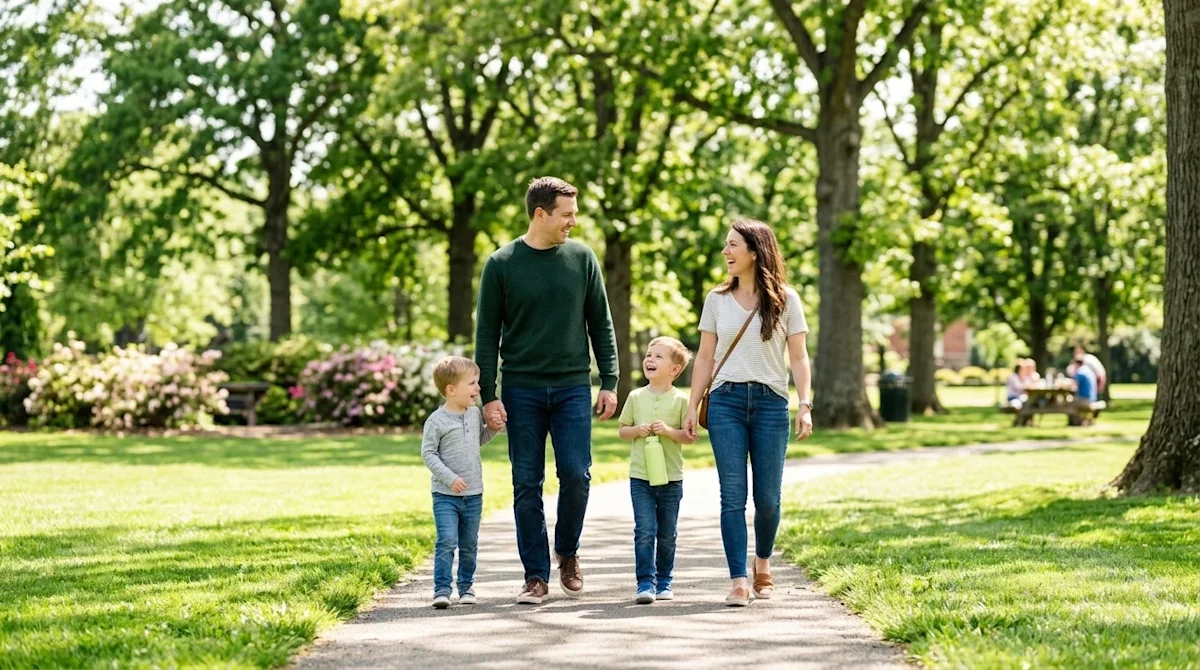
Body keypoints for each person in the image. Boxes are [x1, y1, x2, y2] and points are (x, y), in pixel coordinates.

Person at [474, 176, 620, 605]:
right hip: (521, 389)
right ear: (541, 214)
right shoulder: (501, 264)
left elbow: (601, 323)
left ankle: (568, 552)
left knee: (577, 474)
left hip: (574, 386)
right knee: (525, 483)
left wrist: (609, 381)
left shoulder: (582, 258)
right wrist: (489, 394)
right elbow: (486, 336)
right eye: (567, 214)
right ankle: (535, 575)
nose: (573, 222)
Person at [683, 218, 813, 607]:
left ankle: (763, 561)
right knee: (732, 496)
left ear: (755, 251)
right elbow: (705, 356)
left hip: (772, 404)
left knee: (769, 499)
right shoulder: (716, 300)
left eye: (733, 245)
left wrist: (804, 404)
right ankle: (738, 579)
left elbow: (800, 356)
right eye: (726, 245)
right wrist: (692, 405)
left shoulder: (786, 300)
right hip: (725, 404)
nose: (726, 252)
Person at [617, 337, 696, 604]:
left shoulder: (681, 400)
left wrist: (671, 432)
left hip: (671, 478)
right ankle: (645, 583)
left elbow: (689, 436)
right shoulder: (635, 396)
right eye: (649, 355)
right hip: (640, 476)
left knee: (667, 532)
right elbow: (622, 430)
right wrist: (637, 430)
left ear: (675, 369)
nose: (650, 359)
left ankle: (664, 581)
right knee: (645, 529)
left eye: (658, 356)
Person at [420, 356, 497, 609]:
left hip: (474, 494)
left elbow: (479, 439)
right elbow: (428, 454)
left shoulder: (474, 414)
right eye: (472, 383)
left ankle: (466, 588)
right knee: (446, 541)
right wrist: (450, 479)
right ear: (451, 390)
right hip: (445, 495)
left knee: (469, 543)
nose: (478, 388)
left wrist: (494, 428)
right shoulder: (437, 421)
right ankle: (442, 590)